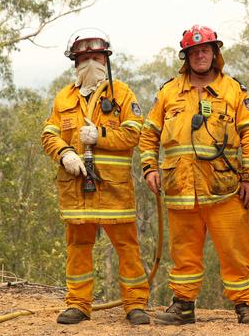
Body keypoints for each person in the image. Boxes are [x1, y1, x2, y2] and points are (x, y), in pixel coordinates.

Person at [139, 25, 249, 326]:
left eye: (205, 50)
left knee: (235, 250)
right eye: (194, 52)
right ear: (187, 57)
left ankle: (245, 306)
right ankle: (183, 305)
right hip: (181, 188)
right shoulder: (169, 92)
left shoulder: (233, 90)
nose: (200, 56)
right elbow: (148, 134)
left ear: (215, 54)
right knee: (183, 252)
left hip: (225, 188)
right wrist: (149, 168)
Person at [41, 28, 150, 325]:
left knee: (127, 248)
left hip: (114, 191)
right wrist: (65, 153)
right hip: (77, 190)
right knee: (78, 248)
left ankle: (135, 304)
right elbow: (48, 134)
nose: (91, 62)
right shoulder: (63, 97)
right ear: (75, 62)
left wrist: (99, 135)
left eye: (96, 56)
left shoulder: (122, 94)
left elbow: (134, 134)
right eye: (85, 57)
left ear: (107, 59)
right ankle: (78, 304)